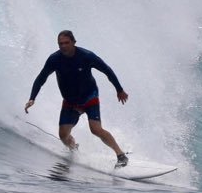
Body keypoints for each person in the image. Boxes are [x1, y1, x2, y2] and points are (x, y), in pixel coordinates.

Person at [25, 30, 129, 167]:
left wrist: (119, 89)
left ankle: (121, 155)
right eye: (60, 43)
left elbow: (107, 70)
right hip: (70, 102)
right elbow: (41, 78)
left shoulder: (86, 56)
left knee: (96, 129)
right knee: (63, 135)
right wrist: (32, 98)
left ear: (74, 42)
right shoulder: (54, 59)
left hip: (89, 97)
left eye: (66, 43)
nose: (63, 46)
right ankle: (74, 150)